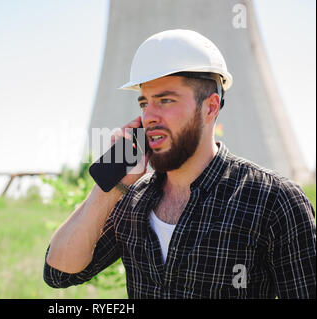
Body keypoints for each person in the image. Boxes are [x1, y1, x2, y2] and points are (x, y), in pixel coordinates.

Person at [43, 30, 316, 298]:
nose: (149, 116)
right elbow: (59, 272)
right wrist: (110, 184)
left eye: (165, 100)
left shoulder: (274, 200)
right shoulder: (132, 198)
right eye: (144, 103)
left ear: (210, 108)